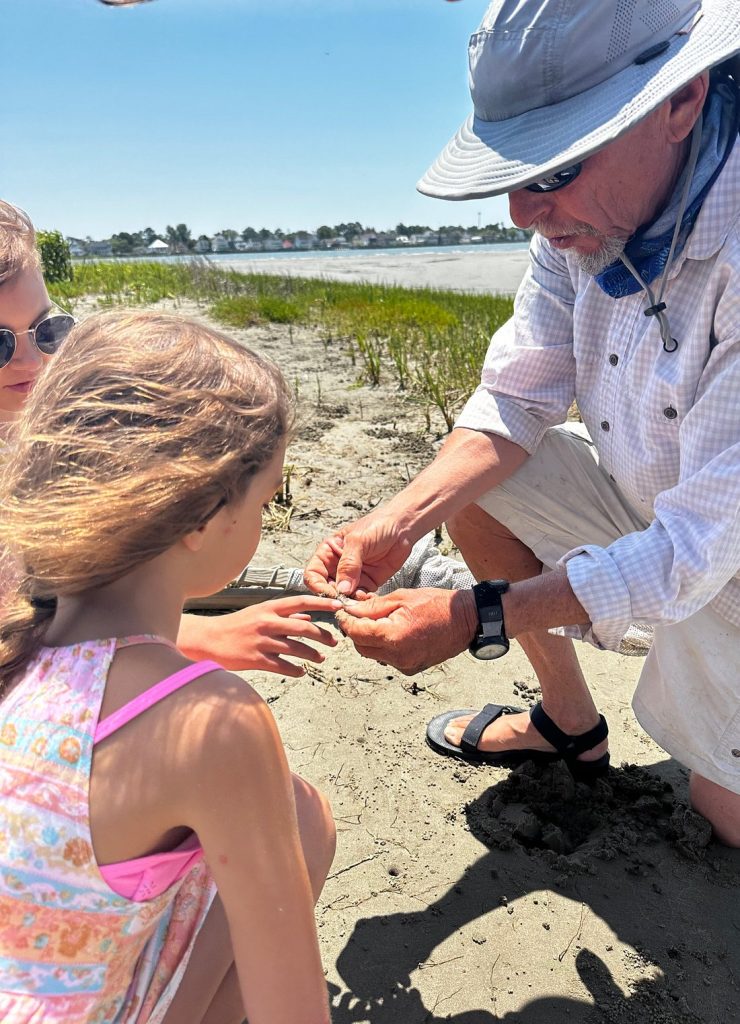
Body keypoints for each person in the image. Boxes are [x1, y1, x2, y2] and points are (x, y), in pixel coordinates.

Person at [305, 0, 740, 845]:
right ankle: (571, 724)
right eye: (518, 170)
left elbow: (700, 545)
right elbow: (515, 398)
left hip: (725, 544)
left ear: (681, 102)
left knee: (723, 822)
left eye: (553, 169)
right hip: (669, 512)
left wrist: (478, 615)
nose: (520, 212)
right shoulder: (581, 218)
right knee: (474, 484)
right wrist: (395, 523)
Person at [0, 309, 339, 1023]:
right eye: (266, 500)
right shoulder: (212, 723)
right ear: (201, 518)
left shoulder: (16, 636)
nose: (264, 518)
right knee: (297, 820)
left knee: (297, 813)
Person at [0, 199, 339, 676]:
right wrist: (203, 637)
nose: (32, 360)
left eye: (47, 329)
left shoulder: (47, 416)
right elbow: (24, 618)